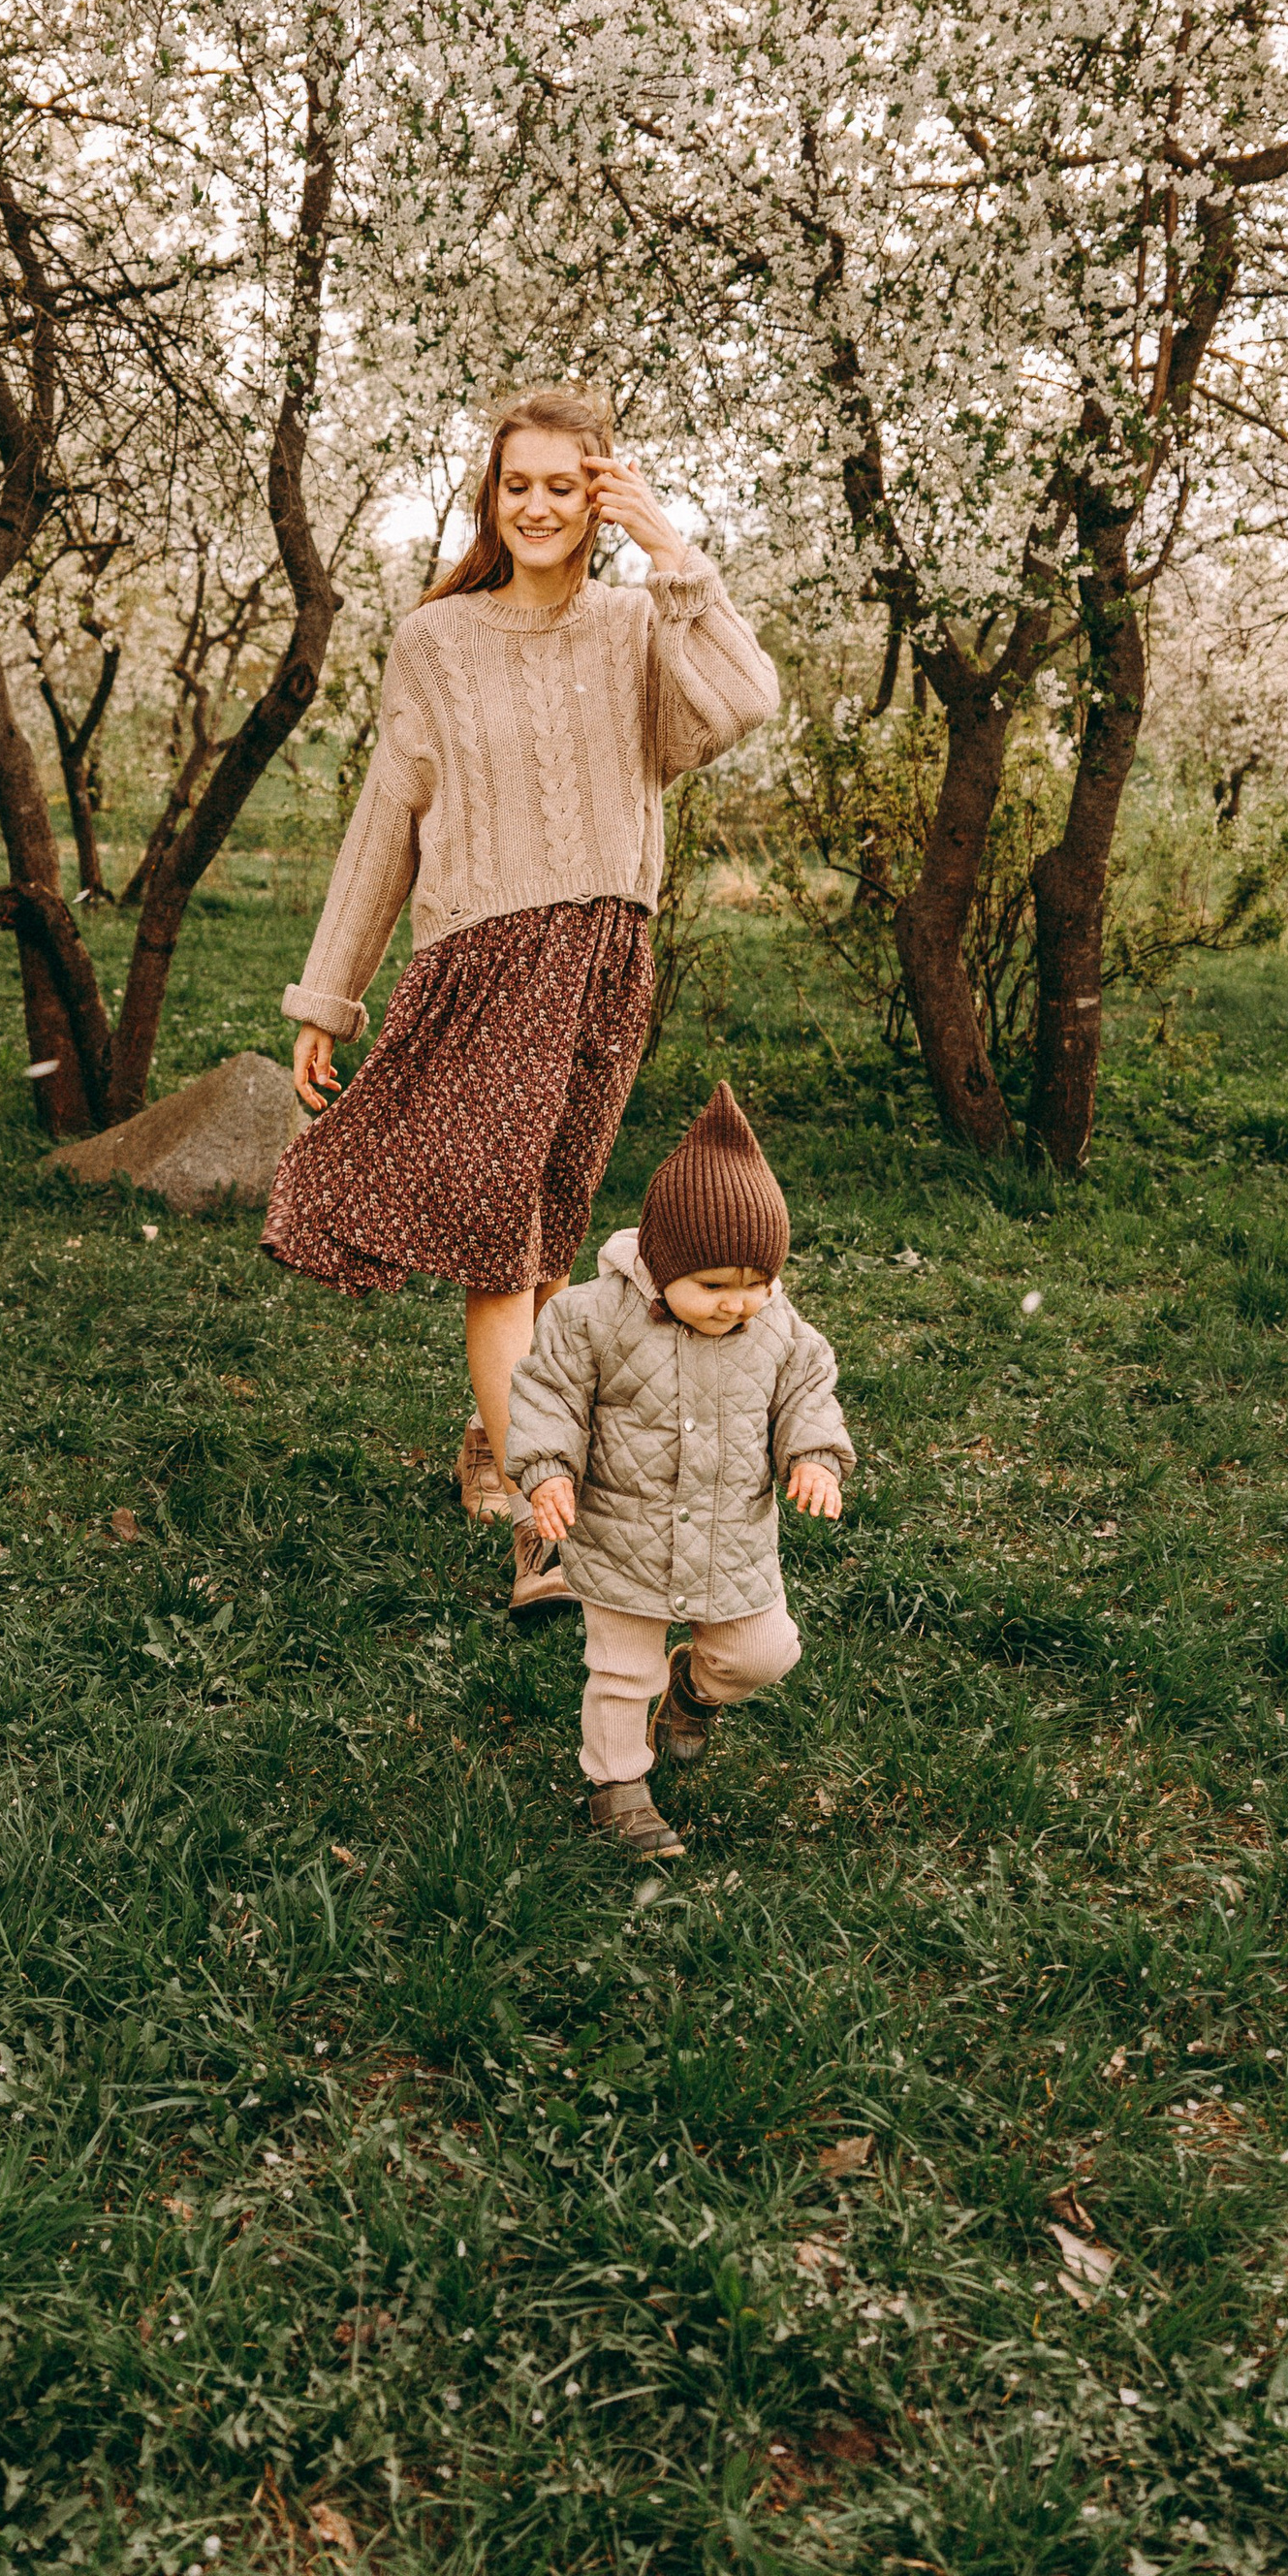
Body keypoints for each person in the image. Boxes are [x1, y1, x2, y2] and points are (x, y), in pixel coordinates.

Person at [264, 384, 778, 1618]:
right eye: (516, 484)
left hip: (606, 964)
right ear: (489, 498)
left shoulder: (634, 625)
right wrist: (327, 997)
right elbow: (388, 814)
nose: (536, 505)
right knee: (500, 1258)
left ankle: (494, 1446)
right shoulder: (436, 640)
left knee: (545, 1249)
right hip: (482, 964)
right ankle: (551, 1537)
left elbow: (744, 699)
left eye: (565, 483)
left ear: (596, 494)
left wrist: (667, 547)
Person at [504, 1083, 853, 1858]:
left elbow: (807, 1393)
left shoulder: (779, 1331)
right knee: (622, 1672)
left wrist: (816, 1455)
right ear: (662, 1266)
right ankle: (617, 1788)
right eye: (717, 1286)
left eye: (759, 1281)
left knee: (765, 1653)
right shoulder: (588, 1317)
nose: (742, 1304)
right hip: (623, 1532)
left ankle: (694, 1690)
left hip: (730, 1537)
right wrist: (548, 1470)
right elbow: (548, 1393)